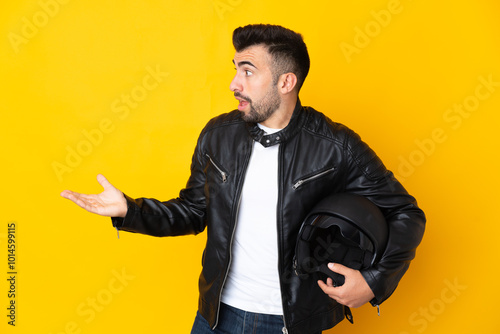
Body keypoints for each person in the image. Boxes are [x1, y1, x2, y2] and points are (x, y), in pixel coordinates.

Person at [61, 24, 426, 334]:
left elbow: (406, 213)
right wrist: (130, 210)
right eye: (235, 69)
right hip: (215, 315)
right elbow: (192, 211)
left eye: (248, 71)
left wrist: (374, 283)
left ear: (286, 81)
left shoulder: (336, 146)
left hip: (291, 322)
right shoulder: (217, 135)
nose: (235, 83)